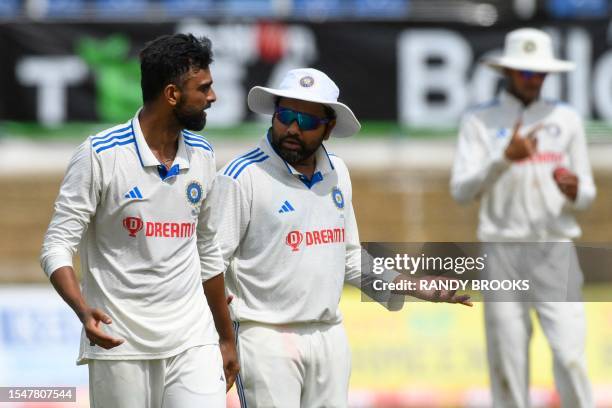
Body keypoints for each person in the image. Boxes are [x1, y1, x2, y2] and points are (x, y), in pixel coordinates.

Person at [210, 68, 471, 408]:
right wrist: (223, 338)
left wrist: (412, 285)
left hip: (329, 334)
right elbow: (210, 263)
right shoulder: (241, 176)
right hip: (265, 337)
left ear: (329, 128)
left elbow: (348, 257)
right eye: (285, 115)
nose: (291, 128)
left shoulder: (337, 173)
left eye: (306, 122)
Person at [40, 33, 238, 407]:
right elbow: (56, 246)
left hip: (192, 342)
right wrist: (82, 310)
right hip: (121, 344)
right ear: (172, 94)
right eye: (204, 88)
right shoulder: (99, 155)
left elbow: (208, 252)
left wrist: (225, 338)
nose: (212, 97)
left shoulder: (203, 155)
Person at [450, 28, 596, 408]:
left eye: (540, 74)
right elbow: (461, 191)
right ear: (508, 72)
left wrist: (573, 190)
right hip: (502, 251)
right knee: (508, 365)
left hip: (554, 250)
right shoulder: (479, 121)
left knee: (571, 356)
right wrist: (503, 159)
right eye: (525, 72)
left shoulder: (565, 119)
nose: (533, 80)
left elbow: (587, 195)